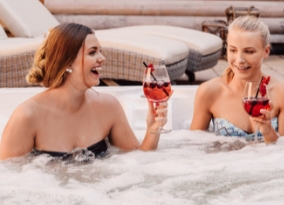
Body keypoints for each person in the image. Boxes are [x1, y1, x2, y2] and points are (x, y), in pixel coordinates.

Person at [0, 23, 166, 161]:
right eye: (92, 52)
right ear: (68, 62)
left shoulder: (108, 107)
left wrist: (154, 128)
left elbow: (138, 163)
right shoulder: (26, 117)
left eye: (100, 51)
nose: (102, 58)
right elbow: (10, 182)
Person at [190, 15, 284, 142]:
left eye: (249, 52)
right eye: (233, 50)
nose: (240, 60)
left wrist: (268, 132)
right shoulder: (209, 92)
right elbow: (193, 149)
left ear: (266, 52)